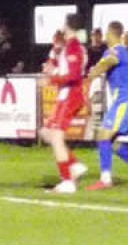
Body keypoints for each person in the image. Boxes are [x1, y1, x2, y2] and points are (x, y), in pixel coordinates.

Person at [83, 21, 128, 190]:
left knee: (104, 136)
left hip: (124, 102)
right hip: (123, 101)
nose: (104, 36)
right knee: (108, 140)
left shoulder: (116, 50)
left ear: (110, 33)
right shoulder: (121, 49)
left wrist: (94, 72)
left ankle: (106, 179)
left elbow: (109, 61)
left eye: (106, 33)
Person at [37, 14, 89, 193]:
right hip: (64, 96)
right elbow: (65, 69)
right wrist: (52, 70)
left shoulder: (74, 47)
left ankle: (67, 181)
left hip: (71, 96)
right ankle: (74, 165)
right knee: (46, 132)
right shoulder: (68, 47)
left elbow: (74, 75)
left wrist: (51, 78)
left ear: (68, 25)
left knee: (57, 137)